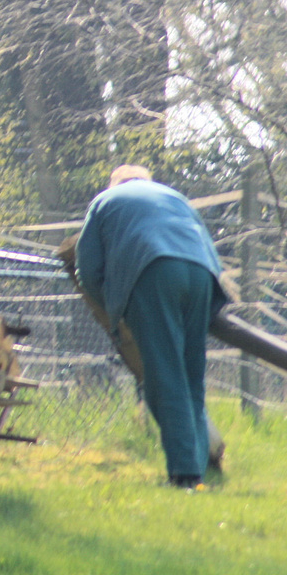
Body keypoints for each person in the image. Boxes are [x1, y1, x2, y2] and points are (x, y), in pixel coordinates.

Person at [72, 165, 228, 487]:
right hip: (202, 274)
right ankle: (200, 463)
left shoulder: (104, 201)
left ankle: (185, 474)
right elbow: (207, 246)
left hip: (152, 271)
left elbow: (86, 269)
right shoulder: (175, 197)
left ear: (116, 183)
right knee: (191, 375)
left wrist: (115, 304)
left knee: (165, 376)